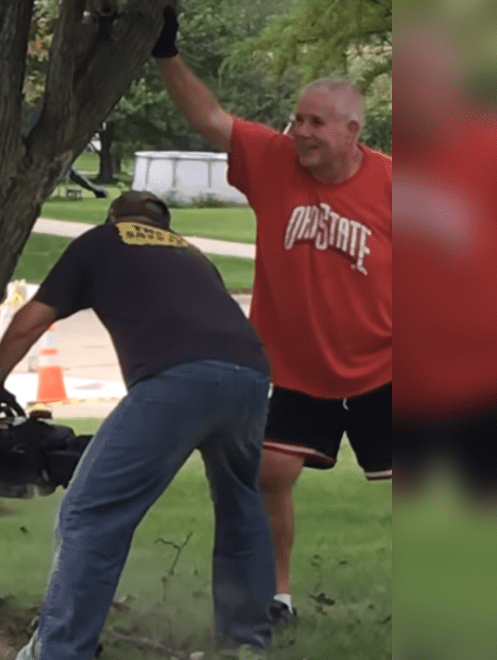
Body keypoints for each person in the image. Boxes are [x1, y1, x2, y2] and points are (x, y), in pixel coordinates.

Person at [148, 6, 393, 624]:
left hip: (386, 365)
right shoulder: (273, 160)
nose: (301, 131)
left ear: (353, 131)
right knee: (270, 475)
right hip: (293, 367)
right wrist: (165, 51)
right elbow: (208, 117)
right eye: (297, 119)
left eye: (316, 122)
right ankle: (276, 597)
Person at [0, 191, 277, 659]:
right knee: (242, 507)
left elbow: (27, 322)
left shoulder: (101, 240)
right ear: (164, 223)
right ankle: (248, 643)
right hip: (250, 377)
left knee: (89, 512)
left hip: (176, 382)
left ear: (114, 215)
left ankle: (60, 651)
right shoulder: (191, 252)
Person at [392, 23, 497, 504]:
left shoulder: (486, 148)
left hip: (481, 379)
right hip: (406, 381)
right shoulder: (386, 163)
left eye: (420, 82)